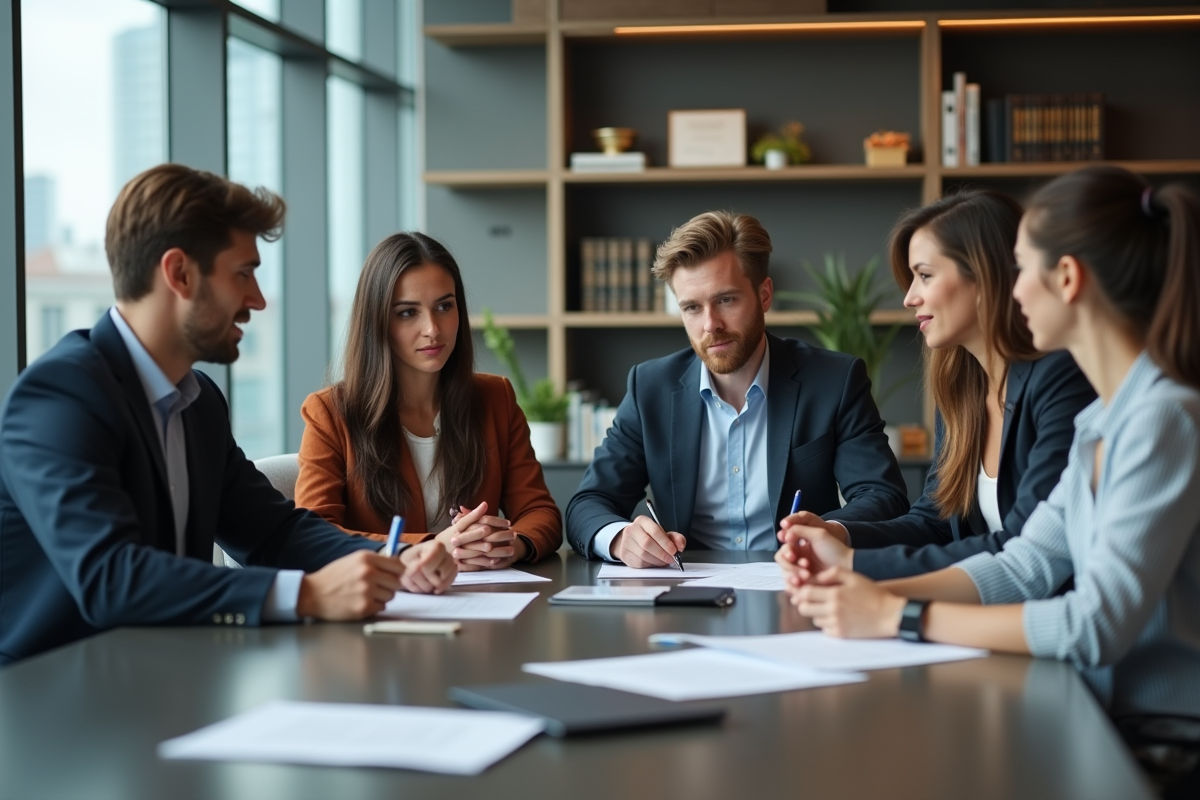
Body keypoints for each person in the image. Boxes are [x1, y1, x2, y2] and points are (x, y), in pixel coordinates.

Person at [781, 167, 1200, 777]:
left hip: (1161, 740)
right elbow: (1027, 564)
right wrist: (864, 591)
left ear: (1067, 279)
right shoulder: (1104, 421)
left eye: (1022, 267)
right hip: (1099, 713)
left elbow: (1094, 625)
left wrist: (896, 615)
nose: (1015, 286)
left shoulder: (1165, 418)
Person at [0, 164, 455, 666]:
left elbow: (271, 532)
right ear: (179, 274)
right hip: (55, 705)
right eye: (244, 273)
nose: (257, 300)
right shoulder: (61, 395)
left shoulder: (198, 401)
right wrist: (307, 595)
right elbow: (110, 578)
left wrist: (394, 559)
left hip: (168, 680)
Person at [777, 189, 1094, 580]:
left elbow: (1022, 546)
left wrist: (854, 563)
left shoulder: (1060, 378)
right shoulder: (963, 389)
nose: (910, 298)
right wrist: (838, 535)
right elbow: (935, 522)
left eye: (924, 275)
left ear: (985, 274)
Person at [565, 210, 910, 567]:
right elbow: (588, 504)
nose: (710, 325)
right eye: (692, 308)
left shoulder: (834, 381)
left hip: (795, 586)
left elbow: (882, 495)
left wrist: (830, 531)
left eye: (726, 300)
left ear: (764, 295)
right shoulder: (649, 387)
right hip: (687, 593)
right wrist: (621, 539)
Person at [294, 232, 562, 570]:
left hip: (482, 603)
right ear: (378, 322)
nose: (433, 329)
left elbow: (540, 513)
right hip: (381, 603)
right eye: (408, 313)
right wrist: (430, 547)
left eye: (444, 306)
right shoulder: (329, 412)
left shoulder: (496, 398)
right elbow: (315, 535)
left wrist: (510, 544)